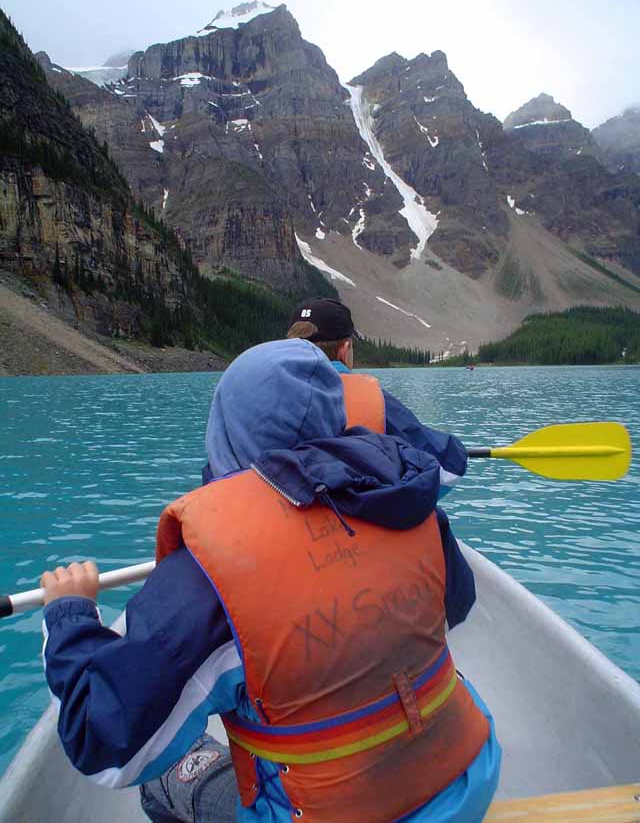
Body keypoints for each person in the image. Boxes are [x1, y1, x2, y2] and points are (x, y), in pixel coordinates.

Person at [40, 339, 500, 822]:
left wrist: (69, 616)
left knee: (161, 781)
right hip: (466, 784)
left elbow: (103, 745)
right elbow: (458, 602)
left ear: (225, 432)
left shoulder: (208, 578)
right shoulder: (409, 501)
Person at [285, 297, 467, 498]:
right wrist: (457, 451)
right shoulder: (374, 400)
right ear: (345, 351)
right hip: (349, 520)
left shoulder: (263, 395)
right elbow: (447, 468)